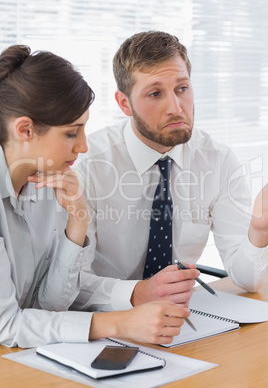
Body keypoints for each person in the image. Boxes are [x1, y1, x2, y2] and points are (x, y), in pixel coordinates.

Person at [0, 44, 189, 348]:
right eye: (72, 133)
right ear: (25, 130)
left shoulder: (49, 184)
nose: (83, 147)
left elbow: (48, 305)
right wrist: (120, 323)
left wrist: (78, 221)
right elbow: (7, 325)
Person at [72, 30, 268, 313]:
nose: (176, 108)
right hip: (106, 320)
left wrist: (259, 231)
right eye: (155, 93)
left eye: (182, 89)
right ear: (124, 103)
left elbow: (248, 279)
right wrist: (138, 293)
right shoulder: (89, 165)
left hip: (181, 320)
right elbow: (67, 286)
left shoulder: (218, 160)